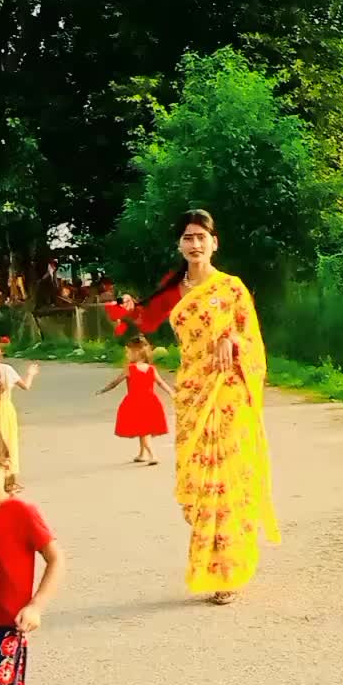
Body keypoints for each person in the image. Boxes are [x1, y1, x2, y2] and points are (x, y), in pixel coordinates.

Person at [111, 209, 280, 606]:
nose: (195, 244)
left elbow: (253, 342)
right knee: (200, 482)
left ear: (214, 243)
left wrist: (230, 340)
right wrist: (127, 309)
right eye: (188, 237)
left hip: (229, 395)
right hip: (192, 392)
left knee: (227, 480)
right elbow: (140, 324)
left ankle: (227, 571)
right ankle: (212, 561)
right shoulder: (171, 290)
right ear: (179, 244)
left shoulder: (231, 288)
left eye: (201, 236)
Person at [0, 426, 64, 685]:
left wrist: (36, 605)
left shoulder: (20, 512)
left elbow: (55, 559)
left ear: (5, 467)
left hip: (4, 631)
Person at [96, 335, 173, 466]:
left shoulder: (130, 368)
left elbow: (115, 382)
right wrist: (171, 392)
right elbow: (161, 383)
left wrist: (103, 390)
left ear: (136, 352)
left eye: (129, 351)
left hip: (136, 403)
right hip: (151, 402)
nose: (127, 354)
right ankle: (142, 454)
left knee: (143, 431)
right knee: (143, 429)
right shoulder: (151, 368)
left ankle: (153, 455)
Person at [0, 337, 40, 476]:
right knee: (7, 441)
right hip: (5, 411)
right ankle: (7, 473)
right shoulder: (7, 369)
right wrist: (30, 374)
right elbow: (26, 386)